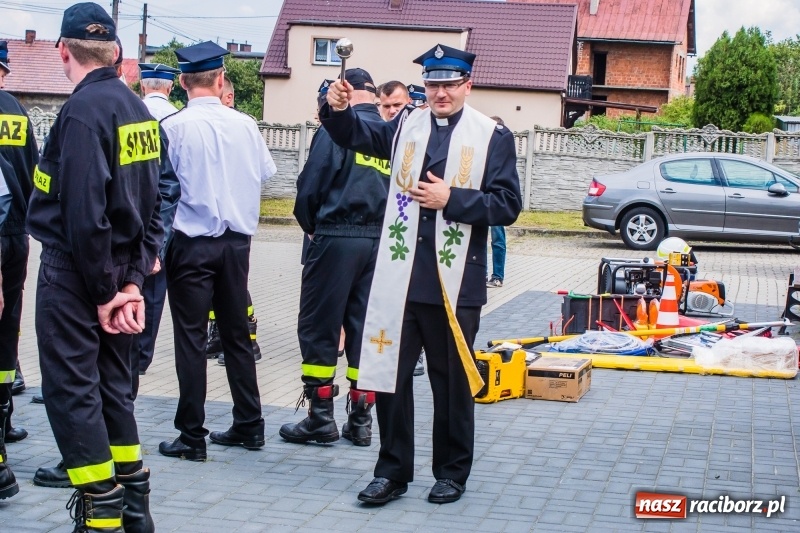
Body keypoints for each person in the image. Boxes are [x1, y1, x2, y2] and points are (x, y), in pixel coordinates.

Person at [322, 43, 521, 505]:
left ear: (467, 86)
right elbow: (357, 136)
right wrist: (333, 110)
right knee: (390, 377)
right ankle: (392, 471)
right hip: (400, 278)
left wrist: (453, 199)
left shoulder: (491, 135)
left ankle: (451, 472)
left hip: (454, 285)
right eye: (434, 84)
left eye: (450, 84)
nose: (441, 93)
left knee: (450, 383)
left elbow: (507, 204)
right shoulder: (405, 125)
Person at [26, 3, 162, 530]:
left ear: (63, 49)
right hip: (119, 272)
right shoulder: (137, 110)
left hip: (77, 274)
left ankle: (100, 514)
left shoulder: (82, 113)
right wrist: (130, 283)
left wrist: (107, 290)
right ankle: (134, 507)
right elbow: (154, 203)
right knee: (110, 386)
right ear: (115, 53)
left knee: (71, 390)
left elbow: (84, 213)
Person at [158, 41, 276, 462]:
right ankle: (250, 423)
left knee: (190, 338)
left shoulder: (173, 127)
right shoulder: (245, 124)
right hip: (236, 244)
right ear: (221, 79)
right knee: (236, 335)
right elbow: (265, 174)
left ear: (182, 82)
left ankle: (192, 436)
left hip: (191, 243)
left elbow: (162, 190)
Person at [280, 68, 387, 447]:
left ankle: (320, 418)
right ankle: (361, 422)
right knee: (366, 329)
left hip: (336, 236)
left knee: (319, 327)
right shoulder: (391, 132)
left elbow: (310, 187)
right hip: (381, 244)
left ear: (347, 91)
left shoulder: (339, 129)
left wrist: (313, 228)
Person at [206, 75, 262, 367]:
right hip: (221, 226)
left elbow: (262, 171)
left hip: (233, 226)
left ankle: (247, 339)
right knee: (218, 290)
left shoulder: (244, 126)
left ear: (228, 98)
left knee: (235, 290)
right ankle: (218, 335)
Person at [131, 62, 181, 391]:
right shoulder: (178, 119)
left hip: (119, 228)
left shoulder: (126, 112)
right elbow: (172, 184)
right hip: (162, 227)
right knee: (151, 296)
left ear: (141, 85)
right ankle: (140, 358)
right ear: (170, 87)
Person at [0, 40, 37, 476]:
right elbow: (32, 173)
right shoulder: (16, 112)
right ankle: (5, 420)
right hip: (16, 237)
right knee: (7, 329)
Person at [487, 116, 507, 288]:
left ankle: (498, 276)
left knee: (497, 240)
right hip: (481, 199)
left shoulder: (504, 150)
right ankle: (481, 275)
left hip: (497, 201)